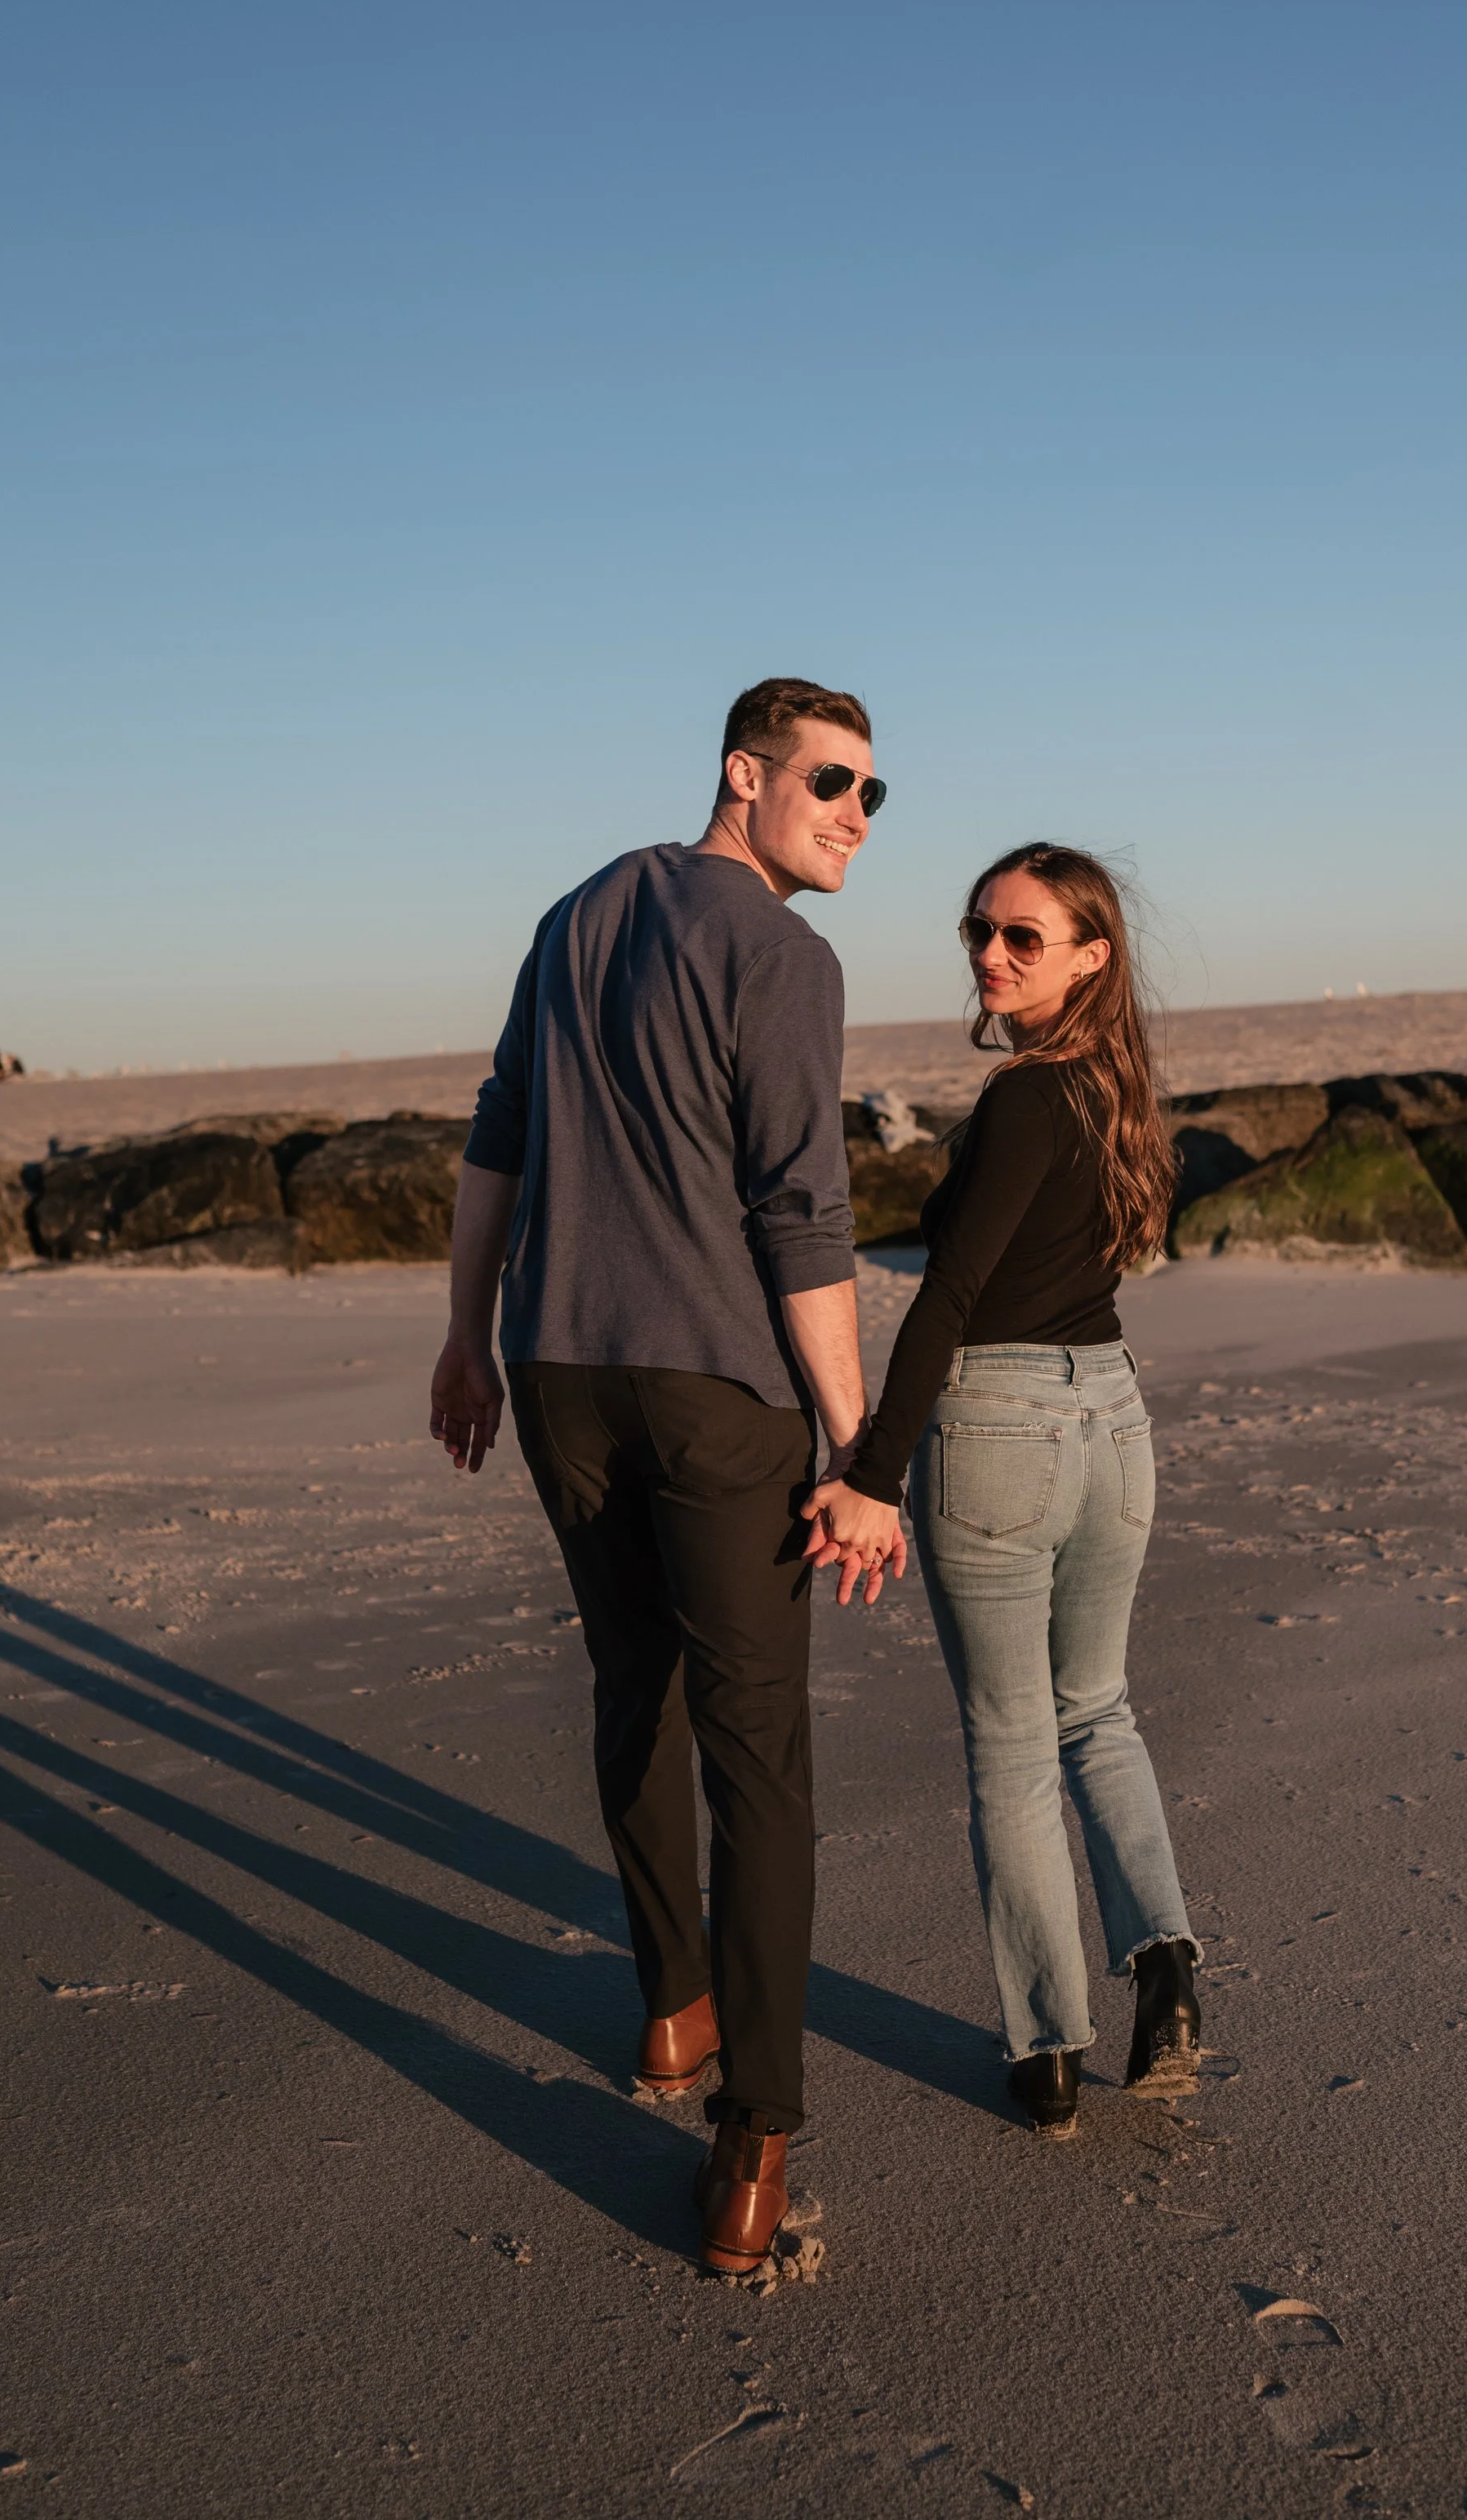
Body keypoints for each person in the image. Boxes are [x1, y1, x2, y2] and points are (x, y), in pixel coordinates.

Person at [428, 678, 905, 2273]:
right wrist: (859, 1442)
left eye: (875, 793)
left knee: (635, 1689)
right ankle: (753, 2142)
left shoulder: (577, 913)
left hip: (561, 1375)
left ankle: (672, 2005)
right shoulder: (780, 954)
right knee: (757, 1750)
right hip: (712, 1391)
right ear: (743, 776)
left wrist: (466, 1338)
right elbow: (800, 1211)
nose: (855, 815)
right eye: (831, 782)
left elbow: (498, 1139)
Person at [802, 841, 1200, 2137]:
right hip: (1114, 1424)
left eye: (1024, 936)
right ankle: (1167, 1967)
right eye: (979, 929)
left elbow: (954, 1295)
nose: (991, 953)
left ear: (1091, 954)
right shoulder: (1118, 1092)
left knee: (1017, 1747)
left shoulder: (1028, 1100)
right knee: (1102, 1712)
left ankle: (1049, 2051)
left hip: (1001, 1431)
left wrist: (870, 1474)